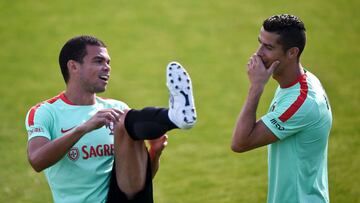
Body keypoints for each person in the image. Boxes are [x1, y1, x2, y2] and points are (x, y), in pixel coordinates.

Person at [25, 35, 197, 203]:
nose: (107, 67)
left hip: (122, 198)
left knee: (125, 120)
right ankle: (172, 116)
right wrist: (84, 128)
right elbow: (37, 160)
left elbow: (138, 182)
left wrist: (155, 153)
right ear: (73, 67)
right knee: (124, 121)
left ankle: (173, 116)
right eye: (98, 61)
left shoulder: (116, 108)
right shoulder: (45, 112)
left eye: (108, 62)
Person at [231, 14, 332, 203]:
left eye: (268, 47)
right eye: (260, 43)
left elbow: (240, 143)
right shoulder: (297, 83)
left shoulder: (302, 102)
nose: (258, 53)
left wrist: (256, 87)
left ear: (292, 52)